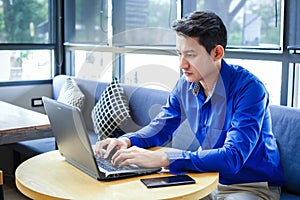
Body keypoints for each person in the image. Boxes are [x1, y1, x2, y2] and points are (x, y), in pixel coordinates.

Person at [94, 11, 286, 199]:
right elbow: (160, 128)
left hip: (250, 186)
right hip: (205, 179)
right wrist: (126, 141)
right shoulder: (185, 85)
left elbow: (232, 157)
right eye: (179, 54)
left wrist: (165, 159)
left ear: (217, 53)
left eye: (191, 55)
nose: (181, 64)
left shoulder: (250, 89)